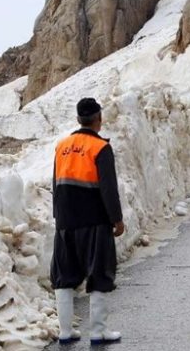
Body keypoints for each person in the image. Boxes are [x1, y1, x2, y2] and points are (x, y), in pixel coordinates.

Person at [51, 97, 125, 345]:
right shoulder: (100, 147)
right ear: (99, 119)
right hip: (94, 220)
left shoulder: (61, 146)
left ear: (78, 119)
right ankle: (98, 331)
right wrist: (117, 219)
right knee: (99, 273)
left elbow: (55, 184)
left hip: (65, 221)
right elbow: (108, 189)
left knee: (64, 274)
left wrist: (58, 216)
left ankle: (65, 331)